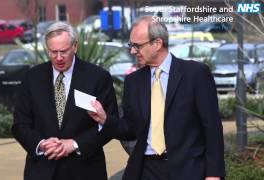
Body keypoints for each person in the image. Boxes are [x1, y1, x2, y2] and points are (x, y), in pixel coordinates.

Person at [88, 16, 225, 180]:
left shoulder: (195, 74)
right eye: (131, 45)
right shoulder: (133, 81)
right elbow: (130, 129)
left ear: (157, 44)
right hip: (146, 170)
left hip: (188, 170)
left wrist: (214, 174)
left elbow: (212, 128)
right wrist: (104, 119)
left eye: (137, 46)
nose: (132, 51)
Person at [12, 21, 118, 180]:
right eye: (53, 52)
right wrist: (42, 144)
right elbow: (20, 124)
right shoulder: (32, 78)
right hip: (42, 170)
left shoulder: (98, 78)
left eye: (64, 51)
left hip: (85, 170)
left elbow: (110, 123)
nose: (59, 58)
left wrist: (75, 144)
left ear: (75, 47)